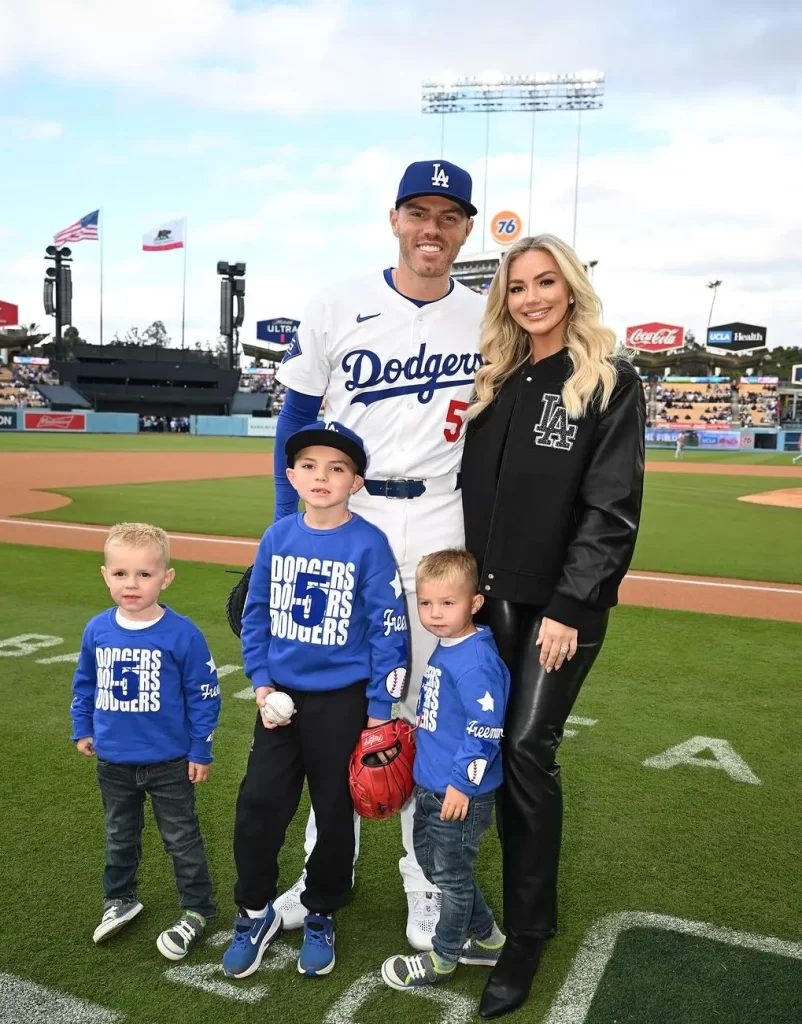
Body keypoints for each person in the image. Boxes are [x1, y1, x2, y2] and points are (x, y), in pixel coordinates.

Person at [271, 159, 486, 948]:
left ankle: (424, 880)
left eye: (449, 215)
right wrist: (282, 538)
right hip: (347, 516)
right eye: (419, 212)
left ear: (465, 228)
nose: (433, 229)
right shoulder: (337, 303)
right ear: (394, 218)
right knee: (334, 707)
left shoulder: (487, 315)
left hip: (441, 516)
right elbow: (295, 422)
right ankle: (325, 869)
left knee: (429, 711)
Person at [461, 233, 646, 1019]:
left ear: (570, 288)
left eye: (546, 282)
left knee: (527, 750)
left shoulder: (608, 380)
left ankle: (528, 933)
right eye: (518, 286)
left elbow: (610, 510)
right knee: (491, 746)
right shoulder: (498, 380)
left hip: (559, 607)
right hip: (492, 600)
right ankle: (483, 902)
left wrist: (571, 606)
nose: (532, 296)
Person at [222, 421, 409, 980]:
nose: (321, 477)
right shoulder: (277, 536)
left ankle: (321, 908)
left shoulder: (369, 543)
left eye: (337, 468)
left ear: (356, 481)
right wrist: (260, 683)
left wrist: (381, 709)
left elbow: (389, 631)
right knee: (259, 804)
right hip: (279, 699)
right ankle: (253, 910)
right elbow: (254, 617)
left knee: (333, 812)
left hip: (344, 704)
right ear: (290, 474)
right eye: (309, 466)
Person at [70, 522, 221, 961]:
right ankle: (119, 899)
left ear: (166, 578)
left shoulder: (183, 634)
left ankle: (197, 907)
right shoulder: (97, 630)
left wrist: (201, 750)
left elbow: (204, 695)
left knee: (181, 838)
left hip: (170, 762)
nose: (130, 584)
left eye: (143, 574)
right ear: (105, 575)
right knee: (120, 834)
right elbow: (85, 684)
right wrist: (83, 727)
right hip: (114, 761)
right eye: (120, 574)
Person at [381, 549, 509, 992]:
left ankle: (443, 957)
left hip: (459, 795)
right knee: (439, 870)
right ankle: (490, 940)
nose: (434, 614)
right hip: (431, 787)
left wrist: (461, 786)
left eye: (447, 604)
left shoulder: (475, 661)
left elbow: (484, 731)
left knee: (451, 879)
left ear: (474, 603)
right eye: (426, 603)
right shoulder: (449, 644)